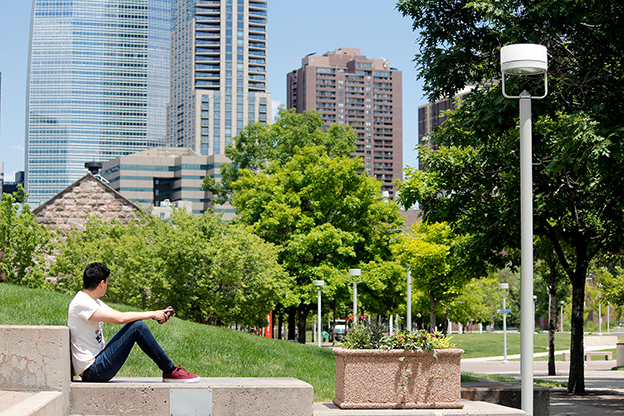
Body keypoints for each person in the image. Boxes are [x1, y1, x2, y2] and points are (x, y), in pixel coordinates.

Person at [68, 262, 199, 383]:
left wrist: (155, 313)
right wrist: (152, 314)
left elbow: (120, 315)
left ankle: (170, 370)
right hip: (93, 371)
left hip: (96, 366)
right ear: (102, 283)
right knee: (138, 327)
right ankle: (170, 370)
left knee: (136, 325)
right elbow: (120, 319)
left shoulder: (91, 301)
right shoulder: (82, 303)